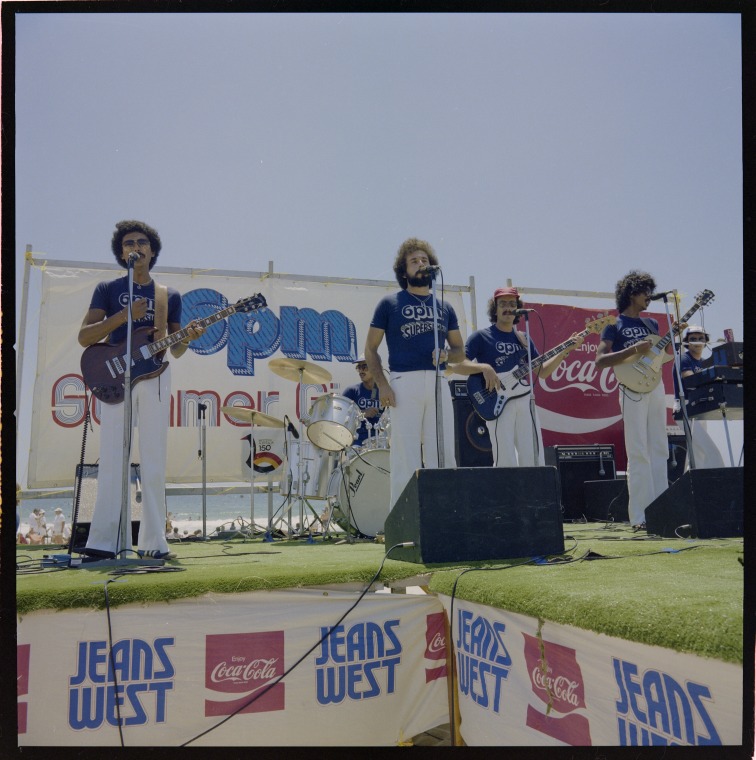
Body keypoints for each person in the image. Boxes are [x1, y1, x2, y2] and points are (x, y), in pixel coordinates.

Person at [78, 220, 205, 560]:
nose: (137, 246)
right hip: (115, 377)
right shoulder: (107, 288)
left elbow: (174, 349)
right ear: (122, 252)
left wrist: (188, 339)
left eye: (143, 241)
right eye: (129, 242)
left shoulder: (168, 296)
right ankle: (104, 542)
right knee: (112, 459)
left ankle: (153, 542)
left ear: (152, 250)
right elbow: (85, 337)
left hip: (154, 378)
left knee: (153, 459)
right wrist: (122, 316)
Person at [364, 237, 465, 509]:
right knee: (405, 454)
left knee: (442, 452)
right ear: (403, 270)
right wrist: (383, 385)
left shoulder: (445, 307)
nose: (421, 264)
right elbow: (370, 349)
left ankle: (445, 513)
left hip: (438, 382)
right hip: (403, 382)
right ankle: (402, 521)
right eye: (414, 261)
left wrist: (447, 356)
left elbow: (460, 352)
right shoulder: (389, 303)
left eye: (424, 260)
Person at [452, 286, 583, 467]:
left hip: (524, 400)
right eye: (503, 303)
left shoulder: (523, 338)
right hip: (496, 401)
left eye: (512, 304)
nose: (508, 307)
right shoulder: (481, 336)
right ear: (495, 309)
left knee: (533, 457)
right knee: (505, 458)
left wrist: (566, 350)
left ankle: (535, 494)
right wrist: (484, 368)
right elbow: (458, 365)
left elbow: (542, 371)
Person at [595, 270, 684, 531]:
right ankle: (640, 517)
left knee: (659, 448)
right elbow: (600, 361)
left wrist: (671, 338)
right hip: (630, 390)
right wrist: (634, 349)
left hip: (655, 386)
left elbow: (659, 357)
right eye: (645, 292)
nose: (648, 297)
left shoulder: (652, 325)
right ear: (631, 293)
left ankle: (661, 510)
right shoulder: (614, 324)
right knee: (638, 451)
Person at [675, 325, 725, 469]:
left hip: (699, 407)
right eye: (693, 339)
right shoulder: (683, 359)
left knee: (698, 455)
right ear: (687, 342)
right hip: (685, 407)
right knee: (711, 451)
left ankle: (691, 488)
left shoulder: (703, 362)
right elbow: (691, 380)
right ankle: (722, 486)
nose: (697, 341)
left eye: (700, 338)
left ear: (706, 341)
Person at [342, 355, 384, 447]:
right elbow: (342, 418)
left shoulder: (385, 391)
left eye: (364, 367)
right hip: (357, 442)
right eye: (359, 367)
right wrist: (363, 414)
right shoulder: (351, 391)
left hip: (382, 441)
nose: (361, 371)